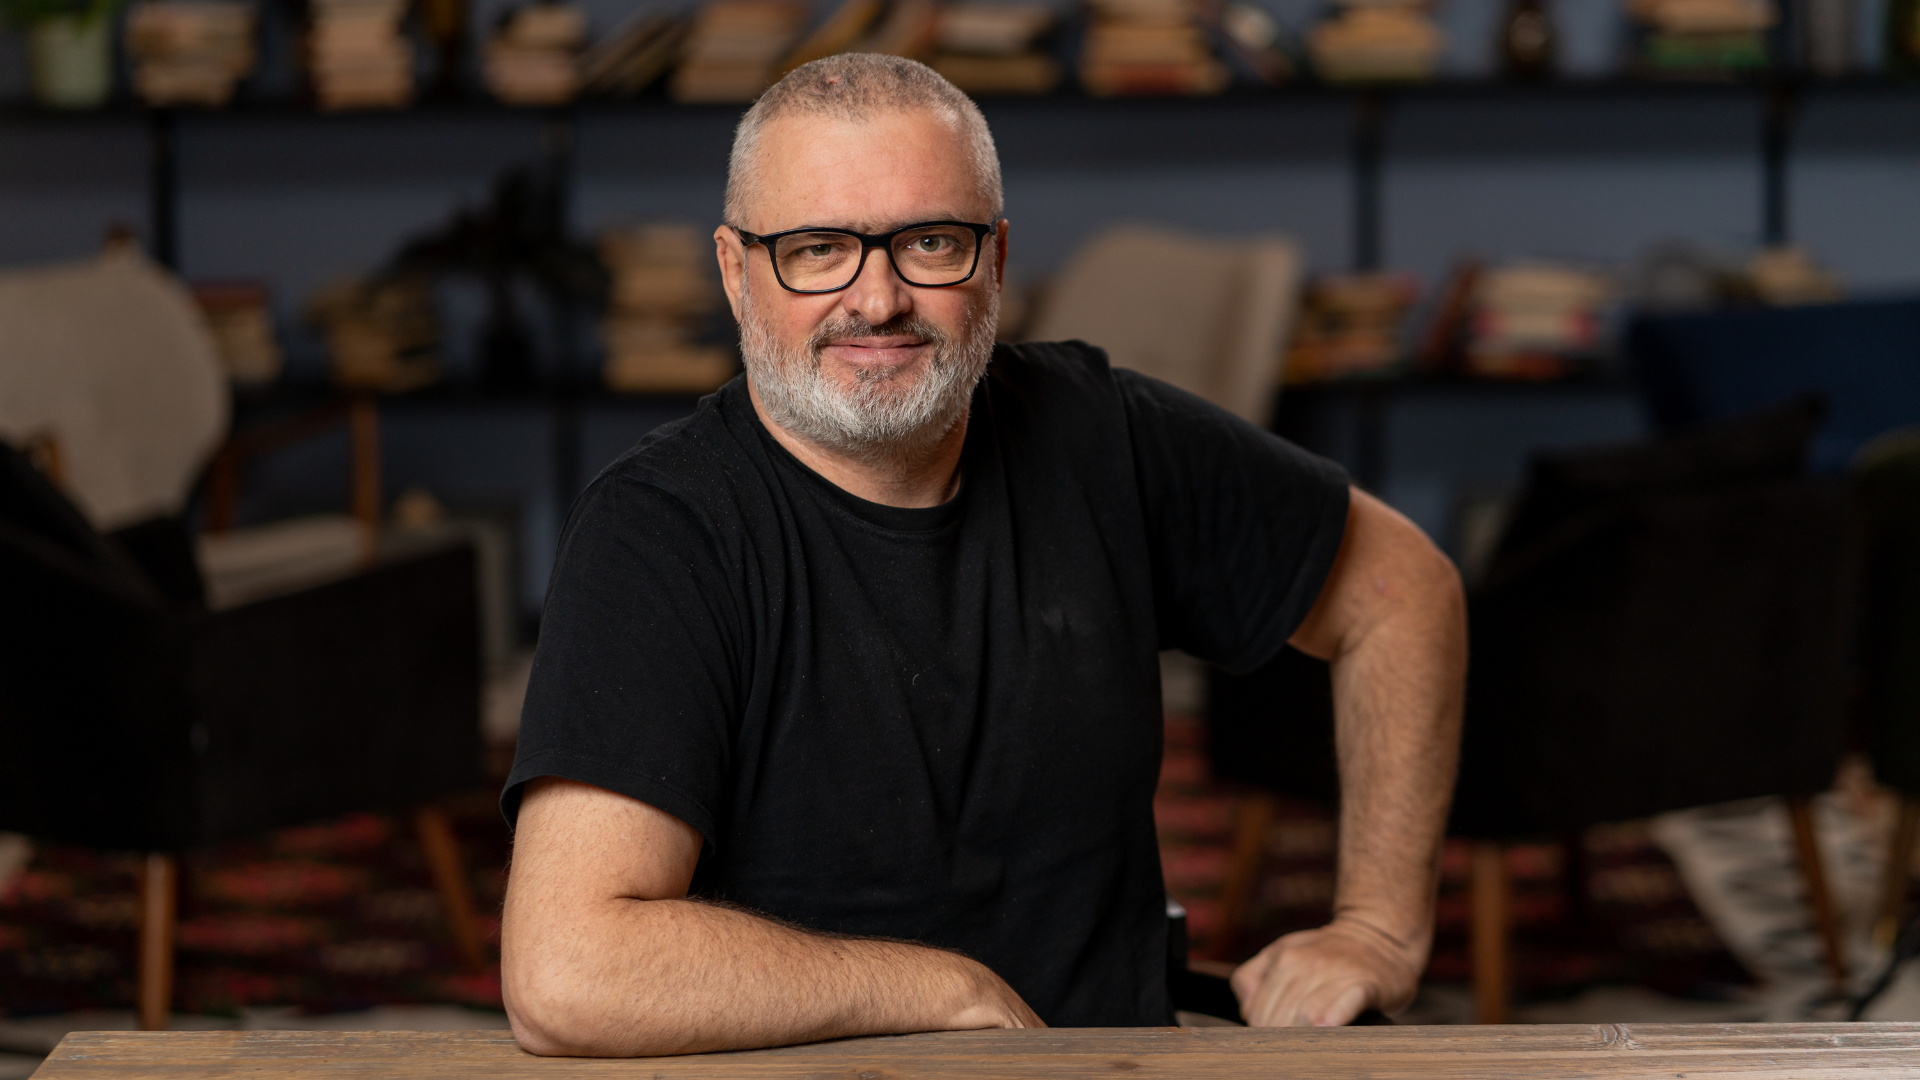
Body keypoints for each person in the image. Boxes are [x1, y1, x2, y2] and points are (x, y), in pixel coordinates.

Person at [499, 53, 1465, 1058]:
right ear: (738, 274)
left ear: (995, 260)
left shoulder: (1104, 438)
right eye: (817, 249)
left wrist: (1377, 930)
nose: (877, 299)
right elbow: (567, 973)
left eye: (929, 243)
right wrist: (940, 989)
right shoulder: (660, 532)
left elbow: (1403, 590)